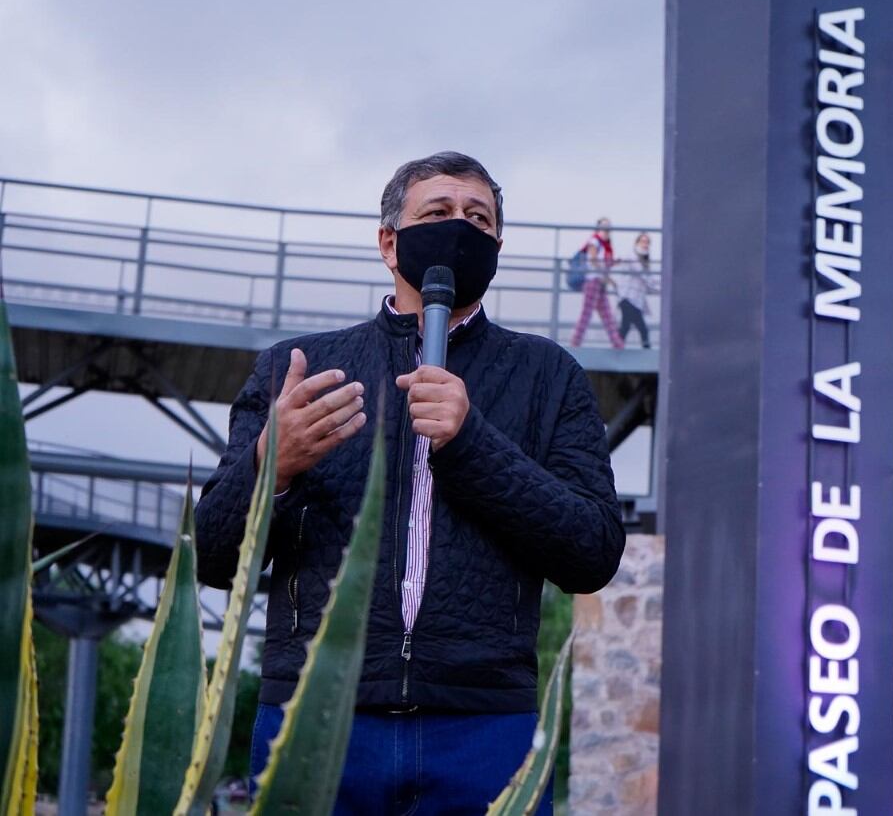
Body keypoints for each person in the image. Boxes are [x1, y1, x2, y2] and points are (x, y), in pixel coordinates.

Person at [194, 152, 625, 815]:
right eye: (438, 213)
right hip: (316, 718)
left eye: (479, 218)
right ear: (389, 241)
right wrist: (270, 464)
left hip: (484, 728)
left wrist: (471, 441)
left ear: (499, 246)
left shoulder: (550, 375)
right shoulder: (298, 370)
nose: (460, 228)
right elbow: (215, 555)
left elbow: (592, 550)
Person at [569, 217, 624, 349]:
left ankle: (617, 344)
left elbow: (600, 262)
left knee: (607, 315)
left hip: (599, 283)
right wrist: (608, 278)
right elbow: (593, 261)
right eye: (604, 226)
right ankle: (575, 343)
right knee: (587, 314)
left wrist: (613, 264)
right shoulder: (594, 241)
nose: (606, 229)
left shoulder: (606, 245)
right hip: (593, 281)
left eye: (608, 226)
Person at [614, 231, 660, 349]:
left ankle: (617, 350)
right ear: (637, 242)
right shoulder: (632, 256)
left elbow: (648, 279)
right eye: (643, 241)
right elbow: (645, 276)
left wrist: (659, 285)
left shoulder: (644, 259)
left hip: (634, 300)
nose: (645, 244)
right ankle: (646, 351)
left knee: (626, 327)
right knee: (641, 329)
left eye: (647, 242)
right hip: (628, 298)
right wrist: (662, 287)